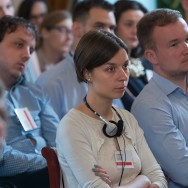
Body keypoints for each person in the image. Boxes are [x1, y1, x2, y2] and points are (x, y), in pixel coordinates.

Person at [56, 29, 167, 188]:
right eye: (110, 69)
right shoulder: (72, 126)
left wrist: (148, 179)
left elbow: (158, 176)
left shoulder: (126, 118)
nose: (123, 76)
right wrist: (142, 180)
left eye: (125, 66)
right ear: (87, 73)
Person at [36, 0, 132, 119]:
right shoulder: (51, 82)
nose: (109, 34)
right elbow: (50, 134)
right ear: (77, 29)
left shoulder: (114, 75)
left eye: (111, 27)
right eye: (100, 26)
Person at [131, 8, 188, 188]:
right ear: (152, 56)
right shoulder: (150, 105)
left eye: (187, 39)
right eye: (174, 44)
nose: (186, 48)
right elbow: (185, 172)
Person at [0, 16, 59, 187]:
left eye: (31, 49)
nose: (27, 55)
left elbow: (59, 139)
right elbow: (3, 161)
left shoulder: (35, 93)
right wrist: (52, 163)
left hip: (48, 175)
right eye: (19, 45)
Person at [114, 0, 152, 98]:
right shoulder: (109, 68)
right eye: (129, 24)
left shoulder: (148, 63)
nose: (135, 31)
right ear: (114, 26)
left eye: (140, 25)